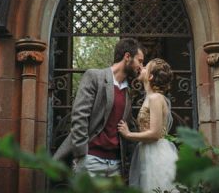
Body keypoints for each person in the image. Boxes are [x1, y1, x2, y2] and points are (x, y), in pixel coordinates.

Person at [53, 37, 145, 178]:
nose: (141, 67)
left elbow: (129, 125)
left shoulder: (127, 91)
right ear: (127, 57)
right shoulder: (95, 77)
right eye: (140, 61)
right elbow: (79, 116)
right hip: (90, 160)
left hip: (116, 165)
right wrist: (81, 154)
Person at [118, 58, 178, 192]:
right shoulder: (150, 97)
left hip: (156, 153)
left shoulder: (155, 98)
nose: (142, 67)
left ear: (150, 76)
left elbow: (155, 133)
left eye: (145, 67)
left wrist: (128, 134)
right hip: (147, 151)